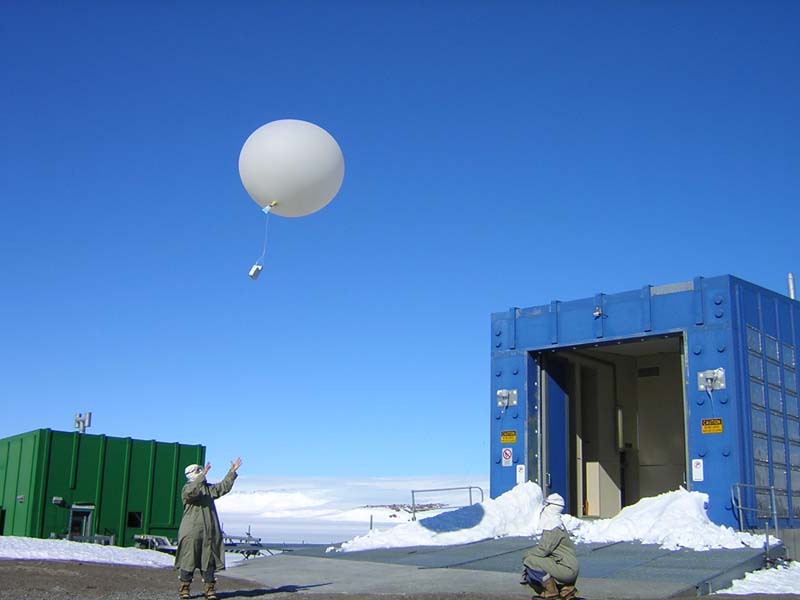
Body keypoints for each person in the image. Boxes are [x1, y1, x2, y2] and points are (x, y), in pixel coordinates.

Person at [174, 457, 242, 600]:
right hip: (191, 532)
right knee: (188, 560)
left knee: (208, 561)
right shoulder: (187, 488)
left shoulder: (208, 489)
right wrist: (201, 477)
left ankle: (209, 590)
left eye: (201, 470)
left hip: (209, 532)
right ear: (191, 474)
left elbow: (223, 487)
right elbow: (191, 493)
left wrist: (232, 472)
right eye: (198, 471)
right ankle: (184, 589)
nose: (201, 473)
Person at [521, 493, 580, 600]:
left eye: (546, 505)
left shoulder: (552, 526)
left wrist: (526, 555)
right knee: (539, 561)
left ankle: (550, 591)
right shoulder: (558, 524)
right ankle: (566, 589)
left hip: (566, 569)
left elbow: (543, 550)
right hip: (569, 567)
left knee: (530, 560)